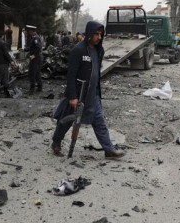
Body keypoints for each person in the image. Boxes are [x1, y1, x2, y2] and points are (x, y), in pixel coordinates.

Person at [51, 21, 125, 160]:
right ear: (89, 33)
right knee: (65, 121)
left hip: (93, 95)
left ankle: (108, 150)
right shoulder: (78, 50)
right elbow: (71, 75)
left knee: (99, 122)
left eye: (100, 34)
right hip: (77, 94)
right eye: (96, 34)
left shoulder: (99, 50)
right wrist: (72, 96)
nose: (99, 37)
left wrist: (97, 92)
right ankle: (56, 142)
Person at [26, 25, 43, 94]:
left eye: (30, 32)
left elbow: (38, 47)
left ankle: (32, 89)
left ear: (33, 32)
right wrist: (24, 49)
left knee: (32, 73)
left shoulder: (35, 38)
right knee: (37, 73)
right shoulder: (35, 37)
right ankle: (39, 87)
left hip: (35, 59)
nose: (29, 33)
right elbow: (32, 47)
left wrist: (34, 55)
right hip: (37, 58)